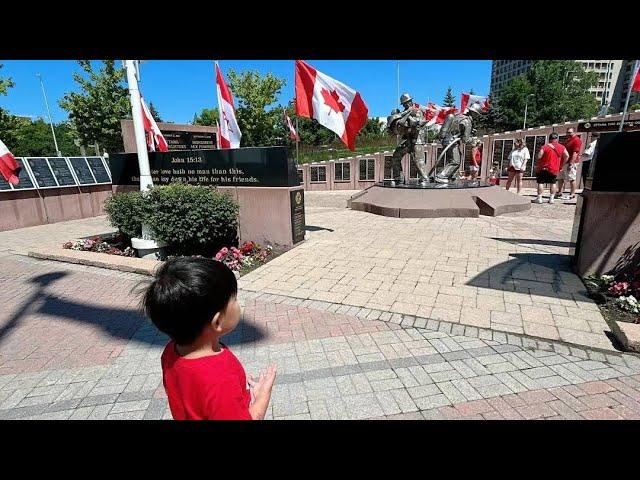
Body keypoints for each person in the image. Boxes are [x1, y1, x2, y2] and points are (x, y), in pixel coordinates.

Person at [143, 257, 277, 420]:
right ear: (218, 321)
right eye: (234, 299)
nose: (237, 303)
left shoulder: (171, 352)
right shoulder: (220, 379)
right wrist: (262, 398)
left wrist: (240, 390)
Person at [386, 93, 429, 184]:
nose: (406, 105)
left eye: (407, 103)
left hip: (417, 139)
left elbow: (418, 126)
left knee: (418, 161)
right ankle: (399, 178)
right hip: (406, 140)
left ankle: (424, 179)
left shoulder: (416, 111)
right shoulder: (401, 114)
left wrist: (410, 125)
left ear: (410, 101)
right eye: (404, 104)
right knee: (396, 157)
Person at [535, 132, 569, 204]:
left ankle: (539, 198)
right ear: (557, 139)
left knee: (541, 182)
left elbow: (539, 156)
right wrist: (561, 165)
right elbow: (567, 156)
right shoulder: (562, 147)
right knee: (553, 183)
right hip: (554, 168)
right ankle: (551, 199)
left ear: (549, 139)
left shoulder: (545, 146)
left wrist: (538, 162)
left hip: (544, 168)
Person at [556, 127, 582, 200]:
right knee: (560, 178)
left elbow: (575, 153)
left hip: (571, 162)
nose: (568, 134)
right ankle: (560, 192)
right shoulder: (567, 140)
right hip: (564, 162)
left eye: (570, 132)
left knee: (571, 178)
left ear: (574, 132)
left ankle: (572, 194)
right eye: (567, 132)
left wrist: (571, 163)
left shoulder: (577, 140)